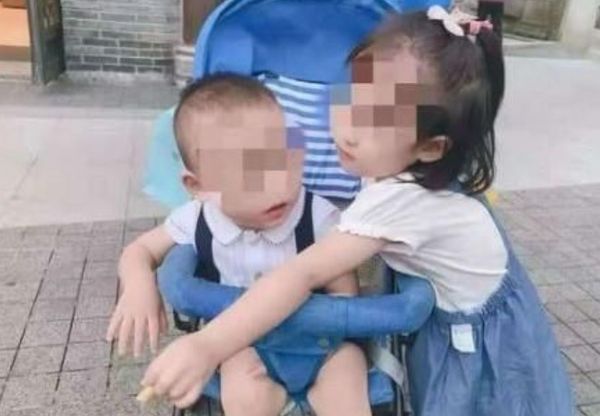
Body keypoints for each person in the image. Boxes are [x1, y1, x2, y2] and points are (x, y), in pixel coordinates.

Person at [140, 7, 574, 415]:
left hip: (481, 340)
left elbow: (301, 274)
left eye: (374, 122)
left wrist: (207, 346)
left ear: (429, 148)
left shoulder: (402, 200)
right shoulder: (394, 169)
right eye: (348, 100)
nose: (347, 131)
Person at [106, 74, 372, 416]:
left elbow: (344, 298)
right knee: (243, 392)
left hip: (321, 343)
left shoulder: (317, 216)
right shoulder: (198, 219)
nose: (278, 186)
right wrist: (139, 286)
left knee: (346, 376)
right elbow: (139, 251)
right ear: (199, 186)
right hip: (243, 345)